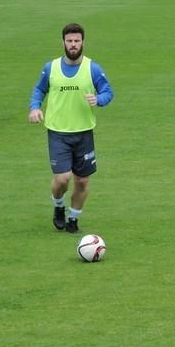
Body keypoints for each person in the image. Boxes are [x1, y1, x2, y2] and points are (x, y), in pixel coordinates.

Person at [29, 23, 113, 233]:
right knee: (62, 178)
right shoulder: (51, 68)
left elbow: (108, 92)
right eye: (69, 41)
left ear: (83, 42)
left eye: (77, 41)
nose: (73, 45)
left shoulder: (92, 68)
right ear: (63, 42)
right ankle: (58, 206)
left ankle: (73, 219)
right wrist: (34, 107)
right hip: (58, 132)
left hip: (84, 132)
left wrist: (99, 99)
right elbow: (39, 89)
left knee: (82, 181)